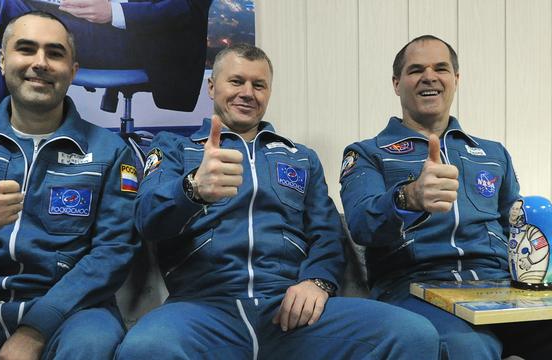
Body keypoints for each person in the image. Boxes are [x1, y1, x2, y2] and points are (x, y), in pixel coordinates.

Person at [115, 43, 440, 359]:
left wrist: (317, 282)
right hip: (201, 308)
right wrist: (192, 189)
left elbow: (326, 233)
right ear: (212, 87)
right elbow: (147, 219)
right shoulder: (174, 148)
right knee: (143, 349)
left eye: (259, 85)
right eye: (236, 81)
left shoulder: (301, 158)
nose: (247, 92)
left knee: (413, 334)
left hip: (289, 309)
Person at [0, 11, 140, 359]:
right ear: (3, 62)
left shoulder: (110, 152)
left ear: (73, 71)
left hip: (76, 315)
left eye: (55, 53)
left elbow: (113, 253)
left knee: (90, 348)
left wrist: (35, 330)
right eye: (27, 49)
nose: (41, 63)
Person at [340, 34, 552, 359]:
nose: (429, 76)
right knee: (467, 347)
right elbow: (361, 224)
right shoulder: (367, 154)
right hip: (414, 286)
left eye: (441, 68)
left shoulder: (493, 153)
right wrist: (407, 198)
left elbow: (517, 229)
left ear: (456, 79)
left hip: (498, 284)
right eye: (415, 70)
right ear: (397, 83)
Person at [0, 0, 212, 122]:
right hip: (113, 32)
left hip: (151, 47)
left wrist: (113, 11)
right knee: (11, 38)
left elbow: (187, 9)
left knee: (12, 6)